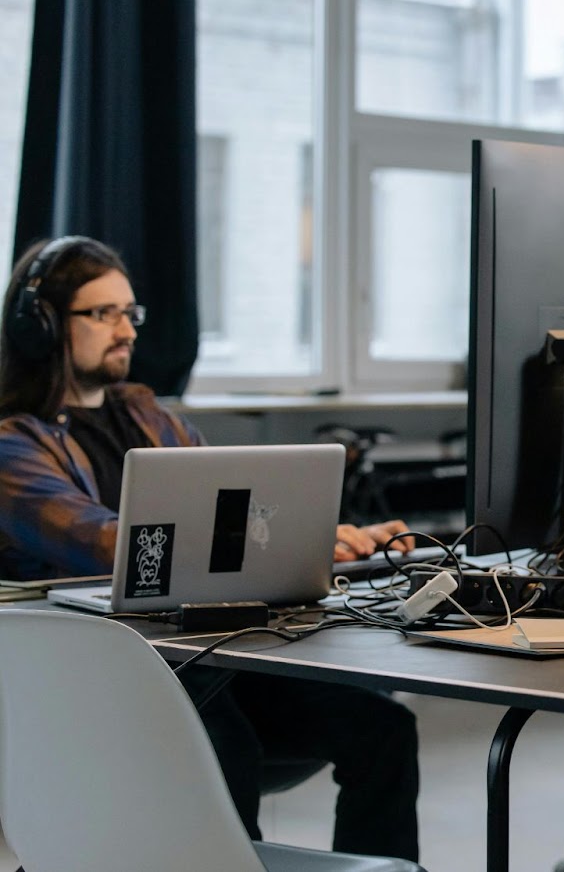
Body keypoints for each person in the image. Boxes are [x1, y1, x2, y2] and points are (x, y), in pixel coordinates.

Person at [0, 236, 423, 861]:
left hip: (206, 657)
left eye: (130, 313)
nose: (127, 330)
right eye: (104, 313)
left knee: (382, 728)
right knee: (224, 742)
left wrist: (319, 541)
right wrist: (251, 536)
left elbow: (234, 516)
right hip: (107, 677)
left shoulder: (148, 414)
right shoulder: (13, 444)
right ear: (41, 326)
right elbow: (110, 546)